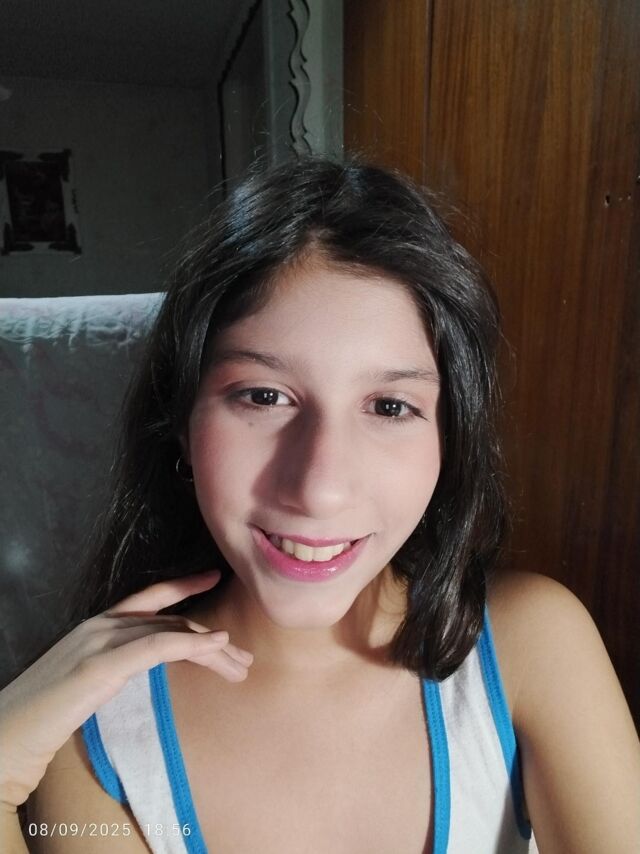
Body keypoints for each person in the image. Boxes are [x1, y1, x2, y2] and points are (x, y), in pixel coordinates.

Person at [1, 156, 638, 854]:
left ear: (450, 439)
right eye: (264, 396)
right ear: (180, 421)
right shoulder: (88, 727)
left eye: (389, 406)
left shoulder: (530, 646)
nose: (318, 488)